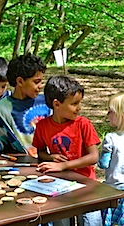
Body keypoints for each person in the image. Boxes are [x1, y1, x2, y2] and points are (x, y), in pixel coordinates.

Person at [32, 75, 103, 226]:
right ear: (56, 104)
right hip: (59, 188)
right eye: (74, 103)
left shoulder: (83, 124)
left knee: (92, 222)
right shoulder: (42, 126)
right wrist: (51, 158)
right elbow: (40, 152)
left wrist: (63, 165)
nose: (79, 108)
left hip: (87, 187)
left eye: (79, 103)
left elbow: (94, 156)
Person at [0, 53, 51, 158]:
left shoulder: (47, 103)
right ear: (20, 81)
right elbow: (1, 139)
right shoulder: (1, 108)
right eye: (36, 82)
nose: (40, 86)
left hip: (49, 161)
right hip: (22, 162)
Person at [98, 93, 124, 226]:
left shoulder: (111, 138)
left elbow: (103, 164)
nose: (107, 115)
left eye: (111, 111)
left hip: (114, 189)